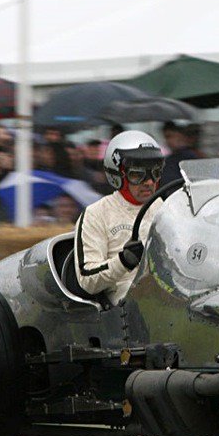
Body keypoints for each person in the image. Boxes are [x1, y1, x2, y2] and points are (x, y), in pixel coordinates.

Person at [73, 131, 165, 305]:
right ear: (117, 175)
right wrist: (123, 261)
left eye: (155, 173)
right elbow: (87, 281)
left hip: (167, 293)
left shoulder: (163, 207)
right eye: (137, 174)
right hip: (126, 304)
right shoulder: (96, 214)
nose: (149, 182)